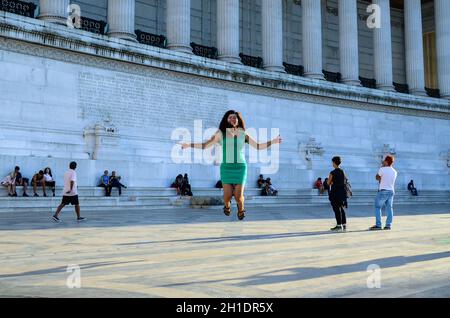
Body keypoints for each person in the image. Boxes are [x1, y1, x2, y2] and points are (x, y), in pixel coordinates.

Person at [181, 110, 282, 220]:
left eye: (235, 117)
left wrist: (273, 141)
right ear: (226, 119)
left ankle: (241, 208)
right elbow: (205, 145)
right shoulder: (220, 134)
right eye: (230, 117)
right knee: (227, 196)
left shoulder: (243, 134)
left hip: (240, 167)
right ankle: (227, 205)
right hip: (226, 168)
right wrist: (189, 145)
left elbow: (258, 146)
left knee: (238, 197)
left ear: (238, 120)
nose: (232, 119)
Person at [370, 156, 398, 231]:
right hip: (391, 191)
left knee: (377, 207)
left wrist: (382, 166)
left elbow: (377, 177)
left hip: (383, 191)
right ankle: (388, 225)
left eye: (384, 160)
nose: (383, 161)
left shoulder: (382, 169)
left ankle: (378, 225)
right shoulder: (394, 171)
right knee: (389, 208)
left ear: (386, 161)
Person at [326, 156, 348, 232]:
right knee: (342, 208)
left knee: (336, 209)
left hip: (335, 192)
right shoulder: (343, 171)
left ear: (334, 162)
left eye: (332, 162)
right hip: (342, 193)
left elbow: (328, 183)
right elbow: (345, 181)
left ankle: (338, 225)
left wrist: (331, 182)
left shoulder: (332, 172)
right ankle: (344, 224)